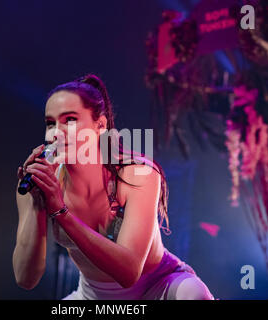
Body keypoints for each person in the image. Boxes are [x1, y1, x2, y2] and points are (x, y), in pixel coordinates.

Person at [13, 74, 214, 300]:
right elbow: (25, 278)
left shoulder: (138, 175)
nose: (55, 133)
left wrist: (60, 211)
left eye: (69, 120)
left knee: (195, 295)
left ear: (100, 126)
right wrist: (37, 204)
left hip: (159, 287)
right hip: (93, 296)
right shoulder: (42, 184)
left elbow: (128, 272)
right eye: (50, 123)